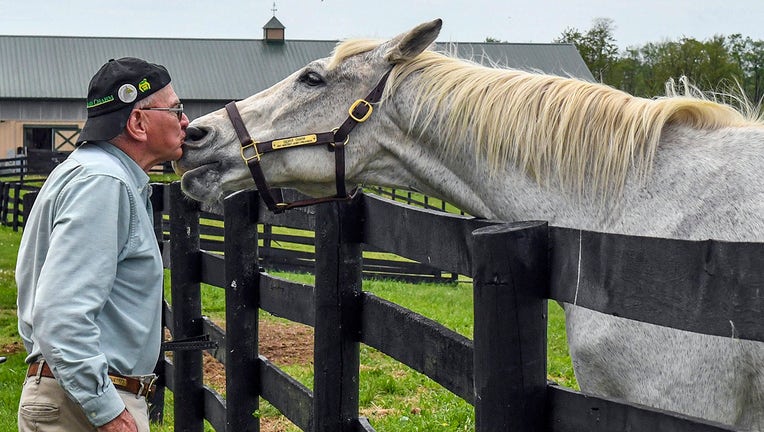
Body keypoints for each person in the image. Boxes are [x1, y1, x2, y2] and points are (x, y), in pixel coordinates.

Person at [16, 57, 187, 431]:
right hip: (84, 407)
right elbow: (61, 315)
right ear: (138, 122)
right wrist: (107, 410)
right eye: (175, 109)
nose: (185, 121)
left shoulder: (87, 173)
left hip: (71, 395)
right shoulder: (104, 183)